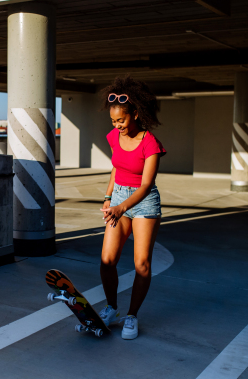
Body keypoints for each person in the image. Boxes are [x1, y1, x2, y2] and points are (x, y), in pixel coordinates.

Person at [98, 75, 166, 340]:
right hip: (119, 199)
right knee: (107, 261)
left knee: (142, 265)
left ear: (135, 113)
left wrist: (121, 207)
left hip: (143, 202)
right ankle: (111, 308)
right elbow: (116, 166)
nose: (117, 126)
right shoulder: (114, 136)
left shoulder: (151, 144)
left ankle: (132, 315)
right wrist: (108, 197)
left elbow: (146, 185)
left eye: (122, 120)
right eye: (114, 121)